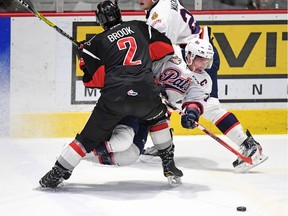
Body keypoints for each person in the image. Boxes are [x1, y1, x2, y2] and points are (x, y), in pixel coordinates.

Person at [39, 0, 183, 188]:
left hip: (114, 99)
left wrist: (84, 56)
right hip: (146, 94)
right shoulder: (141, 27)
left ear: (99, 21)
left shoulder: (95, 44)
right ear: (119, 14)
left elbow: (94, 82)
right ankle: (169, 164)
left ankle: (57, 173)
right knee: (158, 119)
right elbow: (166, 49)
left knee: (86, 139)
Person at [138, 0, 268, 172]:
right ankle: (163, 144)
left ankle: (248, 145)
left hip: (196, 57)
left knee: (209, 106)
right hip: (190, 54)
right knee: (165, 98)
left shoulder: (159, 15)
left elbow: (160, 50)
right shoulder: (163, 4)